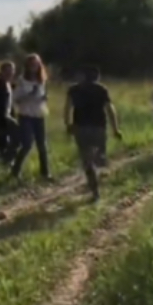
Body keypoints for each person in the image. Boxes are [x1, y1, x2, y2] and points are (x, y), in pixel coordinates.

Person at [64, 65, 122, 202]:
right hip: (98, 128)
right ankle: (97, 163)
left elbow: (67, 109)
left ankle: (94, 187)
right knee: (98, 156)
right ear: (97, 77)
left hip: (80, 128)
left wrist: (68, 125)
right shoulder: (101, 89)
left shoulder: (73, 90)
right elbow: (110, 110)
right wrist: (115, 129)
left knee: (86, 159)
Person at [11, 54, 52, 182]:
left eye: (36, 64)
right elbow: (15, 98)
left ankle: (45, 173)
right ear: (27, 66)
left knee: (42, 145)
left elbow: (42, 95)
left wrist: (44, 98)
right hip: (26, 115)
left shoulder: (42, 80)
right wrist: (29, 95)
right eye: (32, 64)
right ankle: (15, 171)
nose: (34, 67)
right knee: (27, 144)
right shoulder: (22, 81)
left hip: (39, 114)